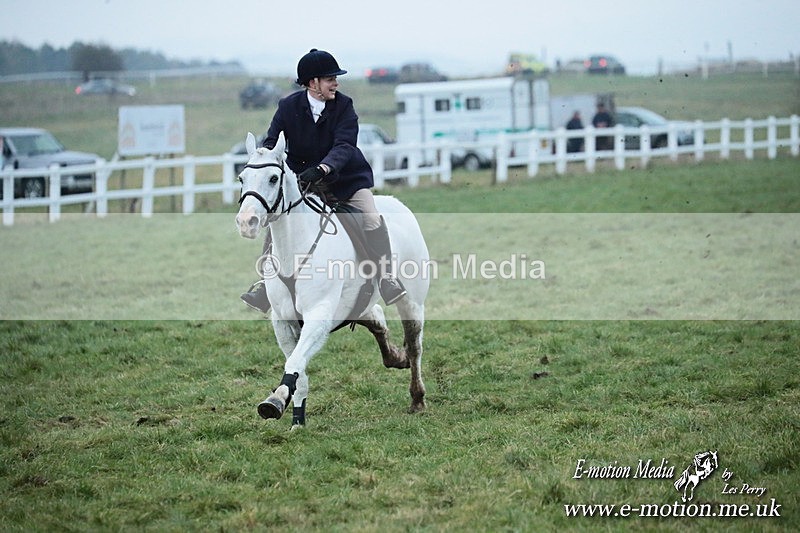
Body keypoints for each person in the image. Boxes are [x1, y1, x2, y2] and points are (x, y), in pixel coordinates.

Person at [240, 48, 406, 314]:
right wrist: (266, 157)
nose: (336, 83)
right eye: (330, 78)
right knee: (276, 221)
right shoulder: (288, 107)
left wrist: (324, 168)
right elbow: (272, 140)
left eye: (335, 79)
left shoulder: (344, 105)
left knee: (371, 216)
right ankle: (264, 284)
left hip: (345, 180)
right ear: (313, 82)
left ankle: (387, 278)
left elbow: (344, 145)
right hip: (302, 182)